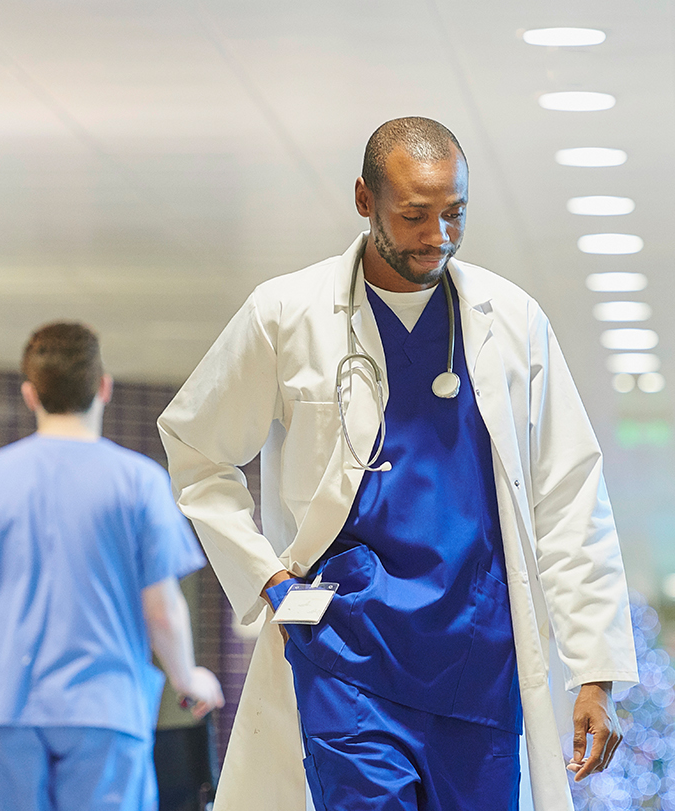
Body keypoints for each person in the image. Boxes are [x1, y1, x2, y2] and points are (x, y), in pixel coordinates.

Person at [158, 117, 637, 811]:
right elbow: (196, 449)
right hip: (346, 652)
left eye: (455, 214)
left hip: (478, 659)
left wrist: (596, 672)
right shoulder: (286, 313)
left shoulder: (513, 319)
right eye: (415, 215)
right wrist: (266, 578)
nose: (437, 235)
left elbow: (569, 493)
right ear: (364, 198)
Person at [0, 321, 224, 811]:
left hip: (6, 711)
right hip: (104, 709)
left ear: (30, 395)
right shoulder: (139, 483)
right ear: (103, 387)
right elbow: (160, 610)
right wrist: (186, 677)